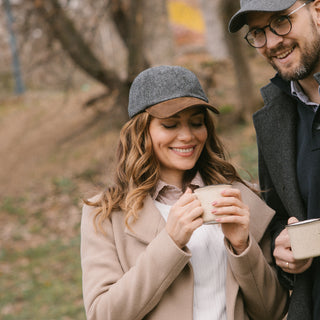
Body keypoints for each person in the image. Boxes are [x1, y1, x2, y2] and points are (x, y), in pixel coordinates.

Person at [80, 65, 288, 320]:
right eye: (170, 125)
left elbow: (274, 311)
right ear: (140, 132)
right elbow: (102, 315)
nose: (187, 136)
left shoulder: (239, 198)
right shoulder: (104, 214)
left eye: (196, 123)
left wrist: (242, 247)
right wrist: (171, 242)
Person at [228, 0, 320, 319]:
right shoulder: (272, 121)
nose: (272, 42)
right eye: (258, 32)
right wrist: (284, 252)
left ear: (318, 12)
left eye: (282, 21)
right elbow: (280, 216)